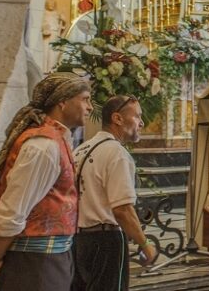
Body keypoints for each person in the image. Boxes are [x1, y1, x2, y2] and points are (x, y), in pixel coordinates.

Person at [0, 72, 92, 291]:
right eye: (85, 99)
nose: (90, 107)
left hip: (50, 259)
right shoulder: (42, 146)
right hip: (34, 263)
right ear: (63, 101)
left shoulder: (56, 140)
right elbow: (10, 214)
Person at [72, 95, 158, 291]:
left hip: (78, 240)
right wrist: (145, 244)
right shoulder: (116, 153)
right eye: (137, 116)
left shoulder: (80, 149)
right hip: (106, 241)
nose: (142, 123)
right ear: (117, 118)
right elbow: (122, 210)